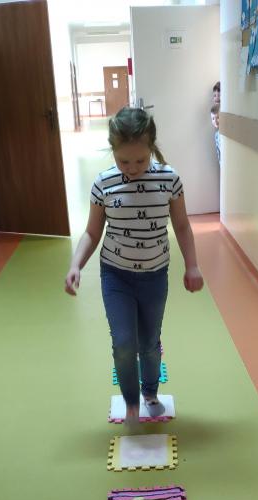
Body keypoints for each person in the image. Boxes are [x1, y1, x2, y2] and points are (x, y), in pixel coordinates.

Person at [65, 107, 204, 425]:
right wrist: (75, 265)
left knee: (150, 343)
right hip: (116, 275)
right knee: (124, 343)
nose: (132, 169)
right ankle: (130, 402)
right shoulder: (104, 183)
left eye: (140, 161)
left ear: (152, 148)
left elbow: (182, 225)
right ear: (112, 151)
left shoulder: (169, 179)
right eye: (123, 161)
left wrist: (192, 266)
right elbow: (92, 233)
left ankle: (150, 392)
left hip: (155, 275)